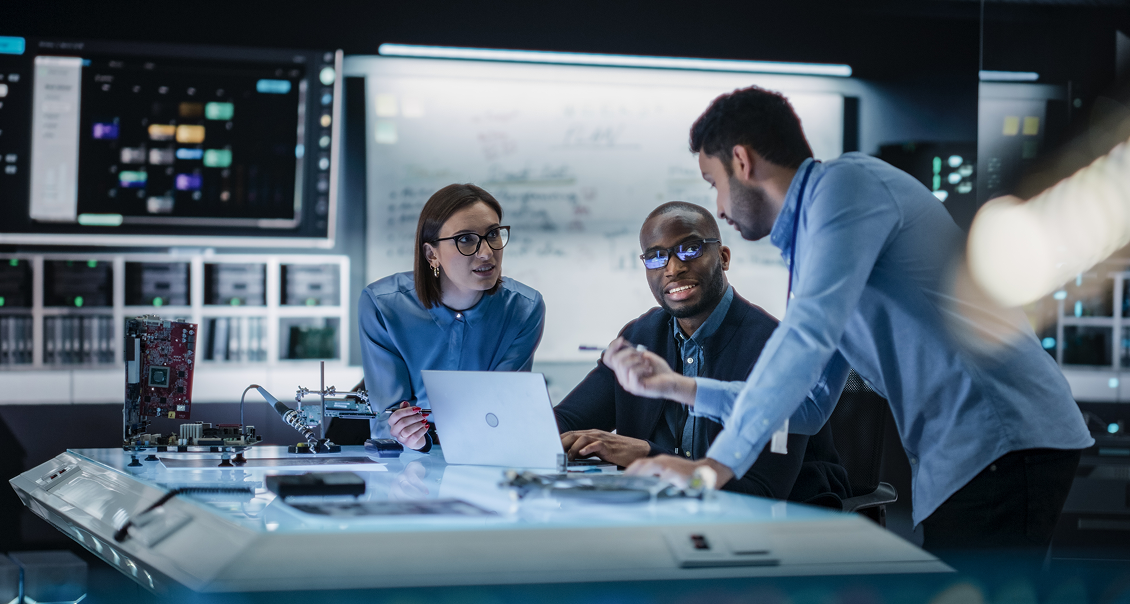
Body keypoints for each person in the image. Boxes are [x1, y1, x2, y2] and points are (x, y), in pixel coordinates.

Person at [603, 86, 1093, 551]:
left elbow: (804, 339)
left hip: (1002, 437)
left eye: (715, 185)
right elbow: (810, 405)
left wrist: (711, 468)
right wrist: (679, 388)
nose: (720, 208)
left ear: (742, 161)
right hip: (969, 455)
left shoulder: (847, 187)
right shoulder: (812, 245)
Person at [554, 201, 851, 503]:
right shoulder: (640, 336)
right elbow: (565, 420)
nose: (673, 268)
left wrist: (646, 454)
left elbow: (760, 494)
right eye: (656, 257)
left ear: (723, 257)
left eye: (690, 249)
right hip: (667, 513)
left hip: (783, 523)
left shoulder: (773, 347)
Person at [359, 183, 546, 451]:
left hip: (484, 453)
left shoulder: (525, 309)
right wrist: (409, 434)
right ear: (431, 254)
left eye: (493, 234)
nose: (487, 252)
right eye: (466, 239)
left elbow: (500, 411)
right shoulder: (383, 306)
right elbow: (388, 420)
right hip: (403, 461)